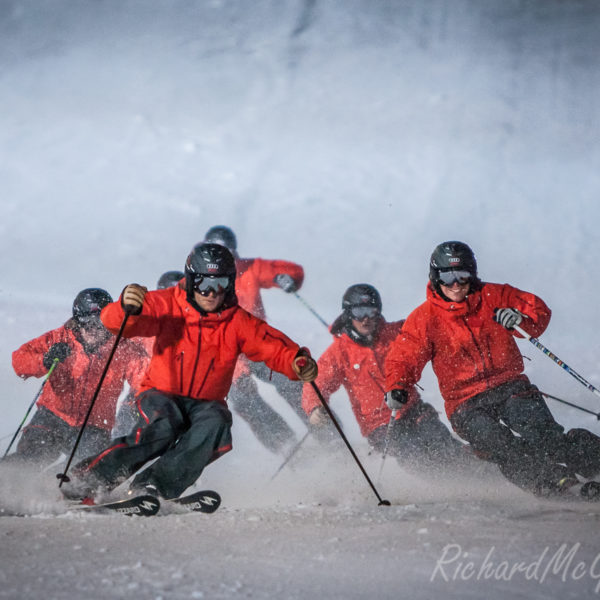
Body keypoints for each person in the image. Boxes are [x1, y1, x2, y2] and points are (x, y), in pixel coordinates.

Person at [61, 243, 318, 501]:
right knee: (162, 426)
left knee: (215, 425)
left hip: (206, 402)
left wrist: (296, 361)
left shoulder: (236, 320)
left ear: (229, 285)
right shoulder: (168, 303)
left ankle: (153, 487)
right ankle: (88, 482)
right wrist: (127, 306)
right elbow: (119, 322)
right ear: (191, 279)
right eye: (203, 283)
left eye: (220, 284)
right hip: (161, 393)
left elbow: (270, 344)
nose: (211, 292)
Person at [384, 241, 600, 499]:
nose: (455, 284)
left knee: (544, 436)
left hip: (511, 386)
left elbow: (538, 310)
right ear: (435, 277)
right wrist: (397, 386)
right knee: (502, 446)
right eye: (447, 276)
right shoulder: (424, 318)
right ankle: (554, 482)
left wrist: (519, 319)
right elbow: (402, 359)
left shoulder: (494, 296)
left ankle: (593, 461)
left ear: (472, 274)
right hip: (465, 403)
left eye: (462, 275)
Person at [303, 284, 468, 472]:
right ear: (349, 314)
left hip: (412, 409)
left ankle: (481, 477)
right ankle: (446, 485)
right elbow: (317, 383)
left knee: (442, 443)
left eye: (371, 311)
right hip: (379, 425)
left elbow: (426, 327)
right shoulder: (339, 352)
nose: (365, 319)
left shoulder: (395, 333)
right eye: (359, 312)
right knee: (414, 456)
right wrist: (315, 407)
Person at [9, 288, 148, 468]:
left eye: (99, 324)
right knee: (31, 457)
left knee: (84, 469)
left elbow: (145, 377)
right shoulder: (60, 338)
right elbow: (19, 361)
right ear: (77, 321)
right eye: (86, 323)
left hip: (95, 425)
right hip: (53, 416)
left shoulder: (122, 348)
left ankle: (54, 490)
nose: (92, 330)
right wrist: (44, 360)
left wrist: (147, 400)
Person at [203, 225, 307, 454]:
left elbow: (291, 270)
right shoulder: (201, 285)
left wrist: (285, 278)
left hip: (258, 347)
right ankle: (288, 448)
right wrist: (239, 372)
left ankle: (325, 429)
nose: (221, 256)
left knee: (290, 379)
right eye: (215, 250)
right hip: (225, 359)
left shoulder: (247, 268)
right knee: (243, 398)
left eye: (226, 250)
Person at [112, 270, 184, 436]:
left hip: (178, 397)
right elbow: (122, 336)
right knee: (123, 434)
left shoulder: (196, 325)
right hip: (141, 393)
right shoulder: (148, 320)